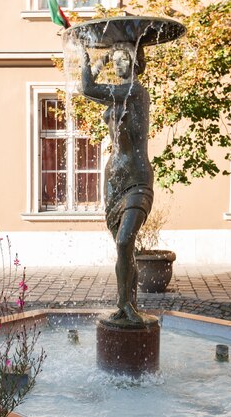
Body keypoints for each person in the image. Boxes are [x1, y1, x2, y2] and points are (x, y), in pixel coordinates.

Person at [81, 42, 156, 327]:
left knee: (125, 241)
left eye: (123, 58)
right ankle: (126, 304)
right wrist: (100, 63)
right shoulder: (118, 95)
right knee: (122, 248)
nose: (119, 64)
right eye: (115, 59)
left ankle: (126, 303)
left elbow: (88, 88)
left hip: (137, 177)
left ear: (135, 62)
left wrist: (91, 62)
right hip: (113, 178)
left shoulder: (136, 91)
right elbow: (85, 89)